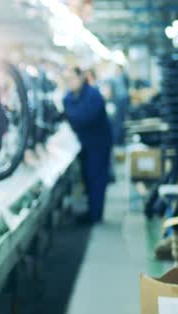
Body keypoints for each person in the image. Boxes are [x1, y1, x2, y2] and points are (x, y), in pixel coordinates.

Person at [63, 67, 113, 223]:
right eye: (67, 79)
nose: (70, 82)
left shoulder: (94, 95)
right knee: (87, 177)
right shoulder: (68, 97)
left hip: (99, 143)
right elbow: (73, 118)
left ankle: (95, 215)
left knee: (97, 178)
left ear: (81, 78)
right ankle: (92, 211)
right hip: (84, 144)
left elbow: (84, 118)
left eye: (72, 78)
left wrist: (70, 116)